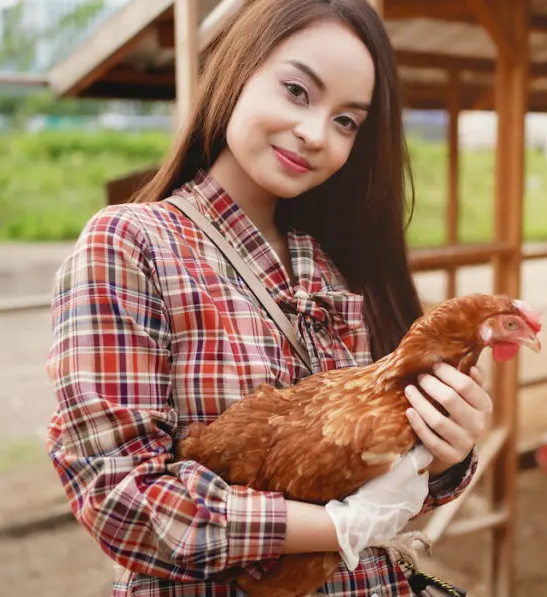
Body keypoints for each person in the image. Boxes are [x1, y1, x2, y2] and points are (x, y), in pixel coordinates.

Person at [43, 0, 493, 595]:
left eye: (347, 122)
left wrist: (441, 456)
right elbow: (119, 496)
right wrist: (341, 526)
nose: (314, 134)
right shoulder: (131, 244)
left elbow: (379, 494)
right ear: (237, 69)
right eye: (298, 91)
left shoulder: (337, 264)